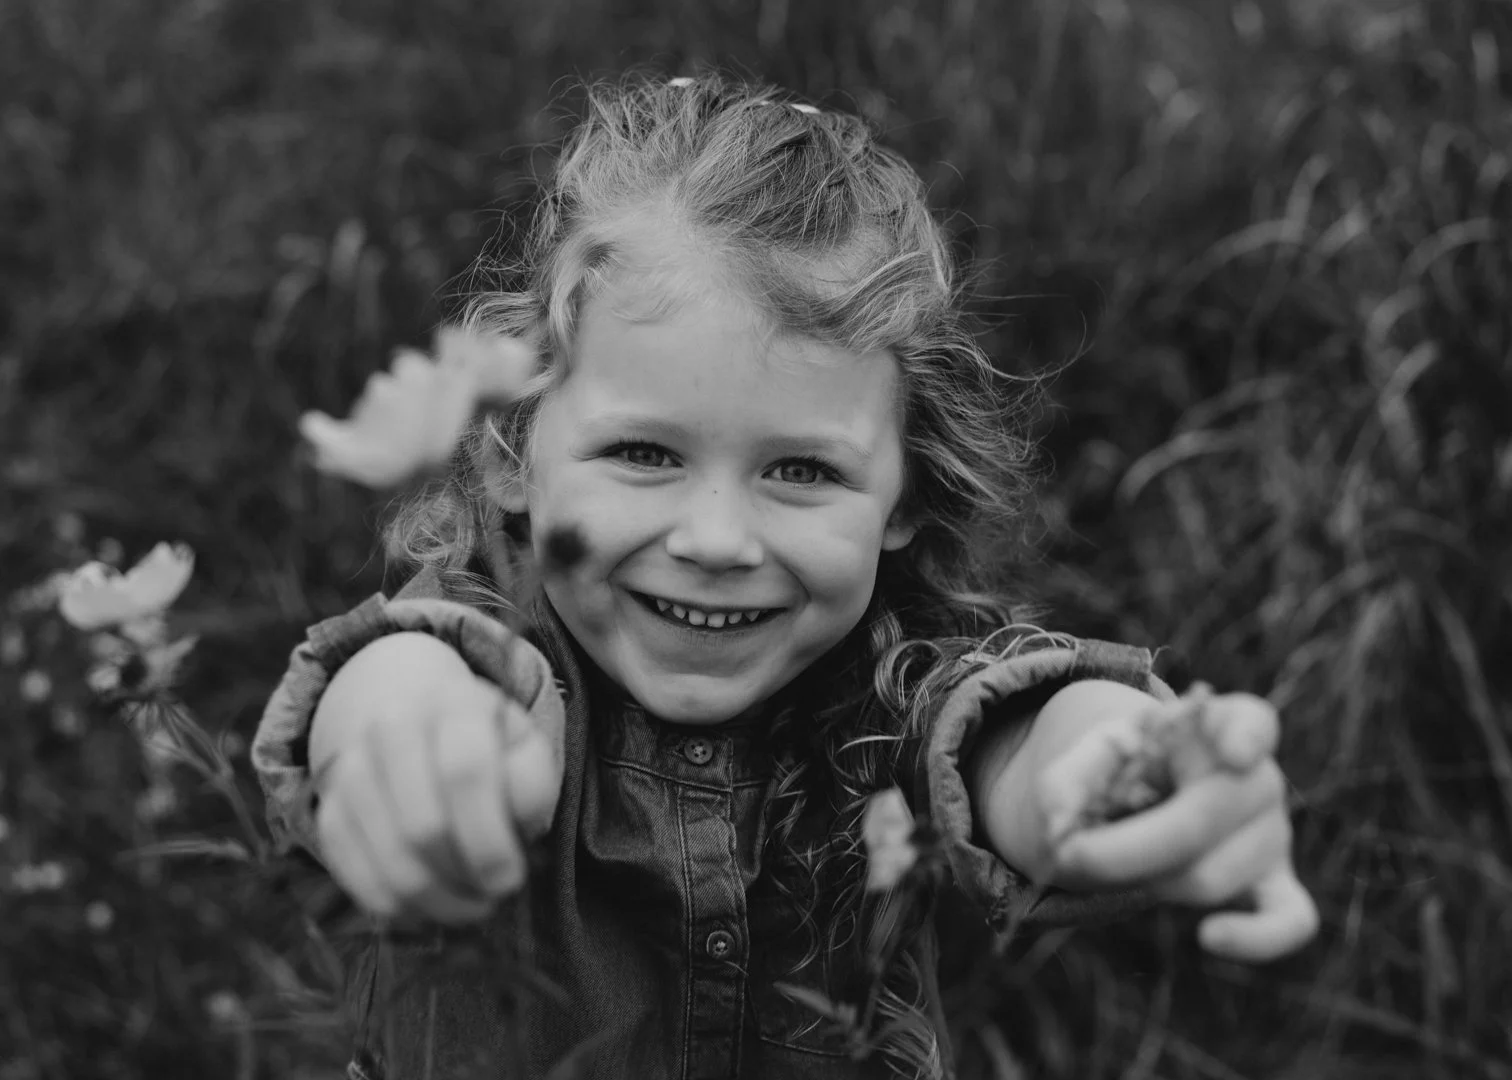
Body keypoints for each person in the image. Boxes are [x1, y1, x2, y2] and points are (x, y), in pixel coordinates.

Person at [252, 71, 1318, 1080]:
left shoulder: (884, 692)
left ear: (902, 499)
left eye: (800, 471)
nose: (717, 539)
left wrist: (1117, 766)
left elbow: (1008, 733)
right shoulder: (495, 660)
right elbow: (412, 676)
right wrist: (407, 740)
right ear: (509, 451)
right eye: (645, 454)